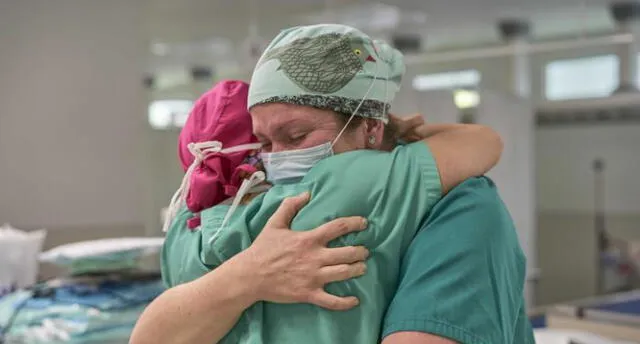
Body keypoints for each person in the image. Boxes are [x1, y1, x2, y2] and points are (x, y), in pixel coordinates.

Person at [131, 24, 534, 344]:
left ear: (370, 128)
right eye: (265, 144)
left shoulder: (460, 206)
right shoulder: (259, 209)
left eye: (296, 136)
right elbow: (483, 140)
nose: (276, 159)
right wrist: (248, 276)